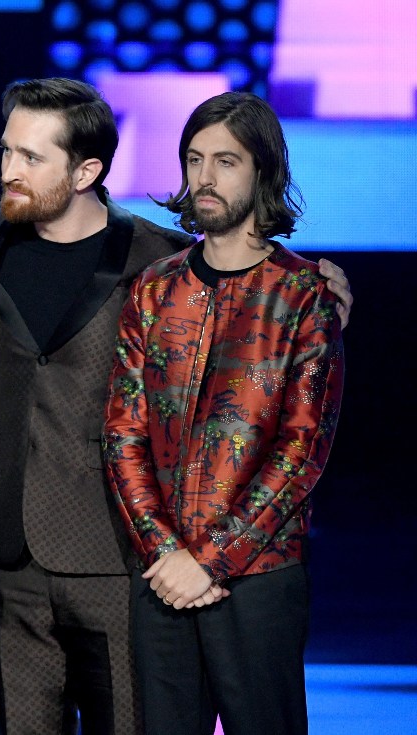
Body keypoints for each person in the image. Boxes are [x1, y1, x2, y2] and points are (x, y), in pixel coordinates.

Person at [0, 78, 353, 735]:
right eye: (7, 152)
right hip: (44, 556)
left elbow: (292, 435)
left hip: (159, 561)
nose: (9, 171)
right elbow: (113, 426)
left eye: (31, 158)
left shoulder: (178, 263)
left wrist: (205, 556)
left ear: (87, 169)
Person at [102, 91, 344, 735]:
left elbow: (302, 450)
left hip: (259, 577)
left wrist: (209, 561)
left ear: (262, 172)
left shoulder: (301, 297)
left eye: (226, 161)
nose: (204, 178)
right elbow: (123, 434)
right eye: (194, 159)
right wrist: (166, 551)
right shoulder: (155, 290)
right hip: (162, 573)